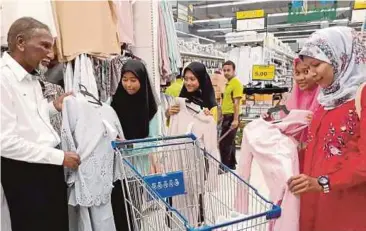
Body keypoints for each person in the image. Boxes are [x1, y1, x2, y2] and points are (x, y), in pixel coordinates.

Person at [0, 17, 80, 231]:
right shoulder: (3, 80)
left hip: (46, 168)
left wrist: (53, 106)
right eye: (44, 45)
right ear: (20, 42)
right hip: (25, 173)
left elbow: (27, 118)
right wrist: (59, 157)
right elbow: (5, 142)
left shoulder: (32, 78)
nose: (51, 54)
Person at [287, 27, 366, 231]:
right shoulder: (326, 100)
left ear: (341, 57)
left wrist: (323, 182)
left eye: (316, 65)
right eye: (307, 67)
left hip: (347, 205)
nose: (312, 74)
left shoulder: (362, 95)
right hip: (314, 200)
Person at [110, 59, 161, 231]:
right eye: (125, 79)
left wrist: (130, 146)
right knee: (116, 212)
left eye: (133, 80)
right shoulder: (113, 102)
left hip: (137, 169)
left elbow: (154, 140)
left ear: (142, 80)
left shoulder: (151, 108)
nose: (128, 85)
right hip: (114, 169)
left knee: (132, 213)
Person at [219, 60, 243, 170]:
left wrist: (235, 119)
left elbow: (236, 103)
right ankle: (232, 164)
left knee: (224, 143)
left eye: (228, 70)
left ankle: (224, 167)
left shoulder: (236, 83)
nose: (226, 72)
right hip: (227, 115)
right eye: (224, 70)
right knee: (230, 142)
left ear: (234, 70)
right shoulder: (228, 84)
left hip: (232, 116)